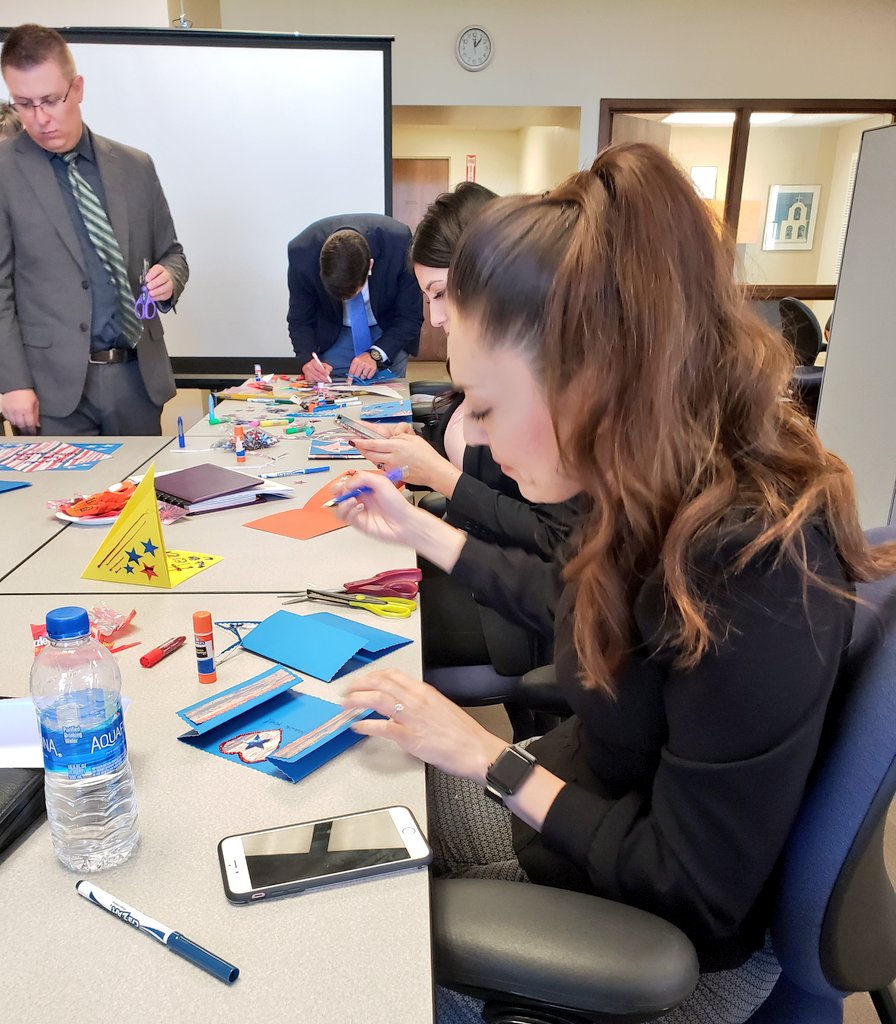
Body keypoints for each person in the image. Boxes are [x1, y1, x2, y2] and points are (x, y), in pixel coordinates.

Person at [333, 142, 896, 1024]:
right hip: (584, 812)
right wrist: (417, 532)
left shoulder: (748, 568)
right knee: (362, 800)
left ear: (589, 382)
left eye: (483, 404)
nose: (476, 439)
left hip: (665, 944)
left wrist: (485, 756)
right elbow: (575, 603)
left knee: (353, 960)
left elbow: (693, 890)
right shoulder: (650, 479)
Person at [353, 182, 578, 682]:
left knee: (366, 635)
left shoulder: (544, 384)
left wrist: (439, 479)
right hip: (486, 570)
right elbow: (464, 464)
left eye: (440, 293)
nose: (434, 316)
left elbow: (554, 538)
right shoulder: (490, 360)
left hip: (510, 609)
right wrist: (407, 459)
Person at [0, 24, 188, 436]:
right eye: (25, 104)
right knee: (61, 502)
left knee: (139, 499)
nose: (40, 118)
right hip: (50, 391)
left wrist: (169, 278)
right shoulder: (4, 172)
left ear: (78, 87)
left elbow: (172, 253)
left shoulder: (135, 166)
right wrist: (12, 382)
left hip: (136, 379)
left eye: (50, 99)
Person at [287, 213, 423, 382]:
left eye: (353, 293)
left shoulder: (398, 243)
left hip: (388, 328)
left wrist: (375, 355)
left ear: (370, 266)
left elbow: (409, 316)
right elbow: (300, 319)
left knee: (389, 393)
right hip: (334, 331)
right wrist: (308, 360)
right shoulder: (301, 254)